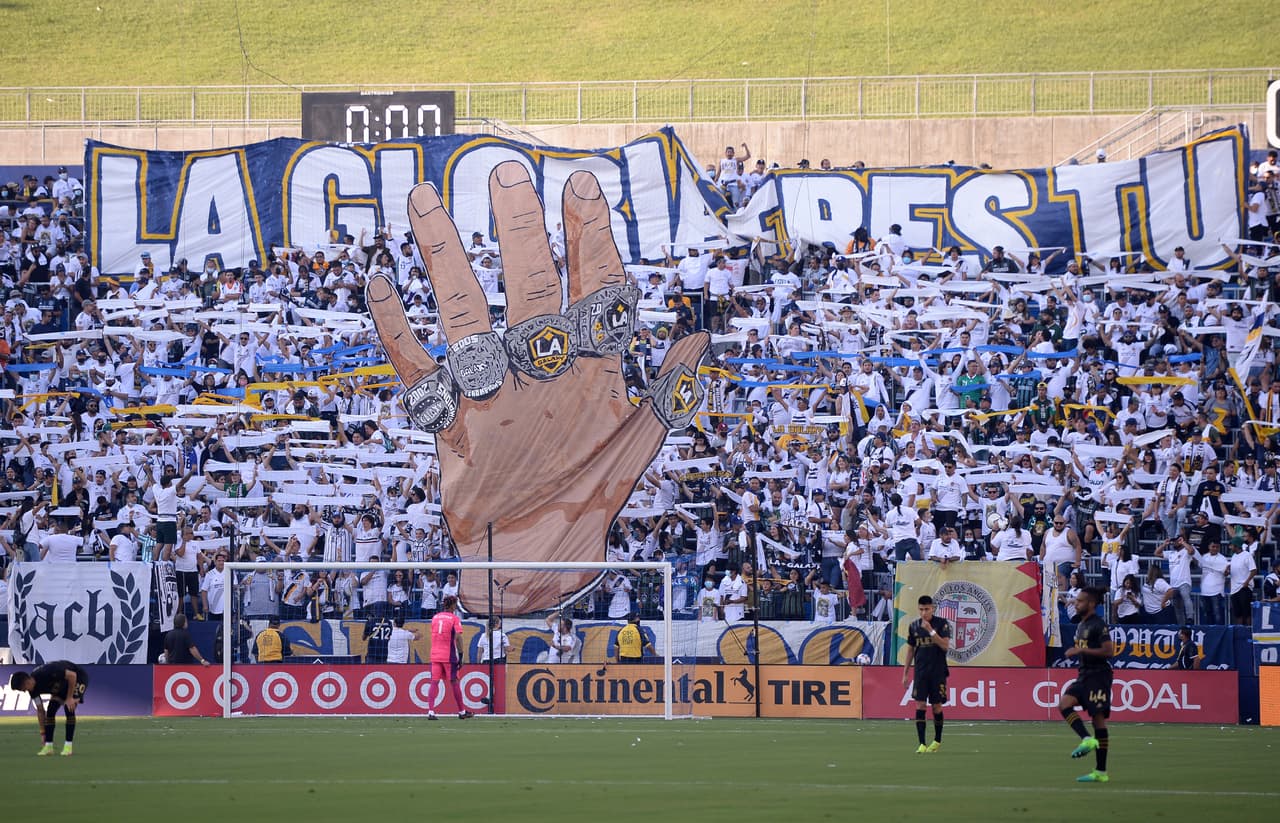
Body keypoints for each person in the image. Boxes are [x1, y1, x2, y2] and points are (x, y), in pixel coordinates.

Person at [1058, 586, 1115, 783]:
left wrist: (1080, 651)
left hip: (1099, 675)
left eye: (1080, 601)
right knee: (1064, 703)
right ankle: (1086, 738)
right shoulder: (1081, 625)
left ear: (1091, 604)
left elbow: (1109, 651)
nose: (1076, 603)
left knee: (1098, 720)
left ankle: (1100, 771)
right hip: (1084, 675)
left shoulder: (1098, 625)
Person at [902, 595, 951, 754]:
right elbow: (910, 650)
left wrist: (931, 631)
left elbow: (945, 646)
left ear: (933, 608)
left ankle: (937, 740)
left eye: (927, 609)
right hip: (921, 672)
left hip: (938, 672)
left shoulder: (941, 624)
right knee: (920, 705)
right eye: (921, 609)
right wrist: (905, 673)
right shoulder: (914, 626)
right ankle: (922, 743)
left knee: (937, 706)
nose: (924, 613)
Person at [10, 660, 89, 756]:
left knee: (69, 708)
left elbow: (72, 676)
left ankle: (68, 747)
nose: (24, 691)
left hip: (78, 677)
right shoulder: (32, 690)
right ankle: (48, 746)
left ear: (26, 681)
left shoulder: (47, 672)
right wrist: (43, 733)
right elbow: (40, 710)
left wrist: (69, 698)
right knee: (51, 710)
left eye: (23, 689)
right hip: (61, 685)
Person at [428, 595, 473, 719]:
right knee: (454, 682)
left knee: (434, 682)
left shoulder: (435, 618)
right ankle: (462, 712)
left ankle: (431, 711)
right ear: (453, 605)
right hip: (448, 655)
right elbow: (458, 637)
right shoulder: (454, 618)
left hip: (435, 655)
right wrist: (461, 654)